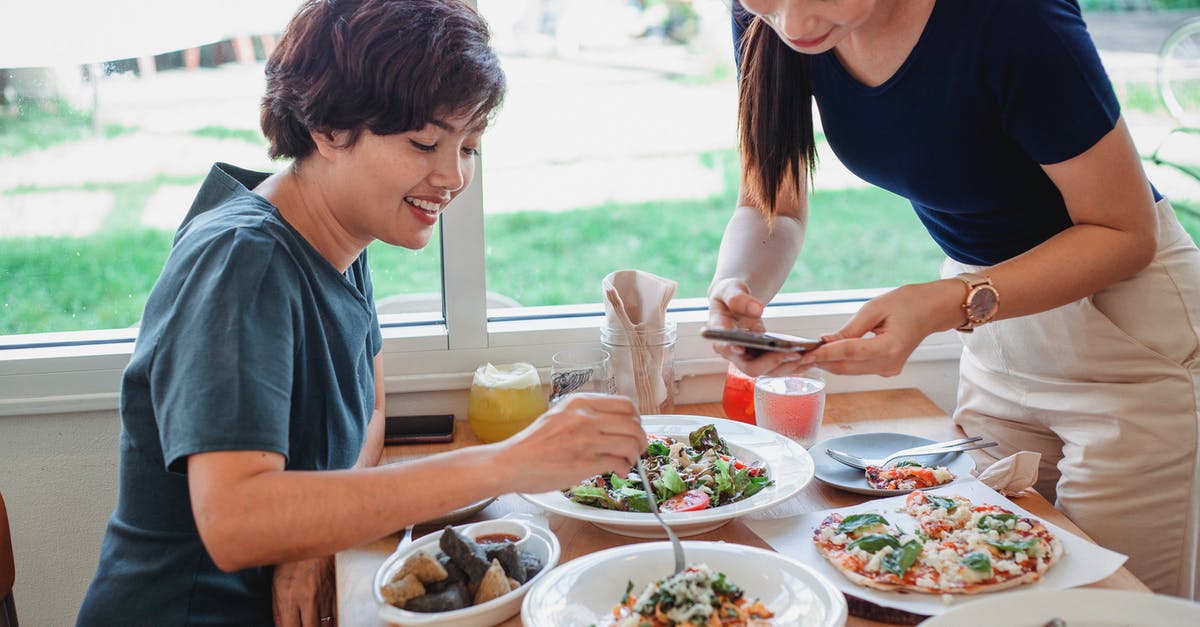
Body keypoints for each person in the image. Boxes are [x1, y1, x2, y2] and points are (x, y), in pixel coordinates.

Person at [76, 1, 646, 625]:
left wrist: (309, 535)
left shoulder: (339, 238)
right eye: (425, 142)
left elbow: (370, 413)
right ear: (328, 129)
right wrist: (513, 460)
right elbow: (236, 522)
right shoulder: (244, 262)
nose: (453, 176)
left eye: (470, 147)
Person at [707, 0, 1200, 599]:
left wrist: (946, 303)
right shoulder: (769, 17)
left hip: (1127, 342)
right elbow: (772, 205)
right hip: (995, 330)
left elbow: (1125, 233)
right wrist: (738, 287)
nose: (796, 27)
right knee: (970, 585)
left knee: (1109, 606)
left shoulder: (1016, 18)